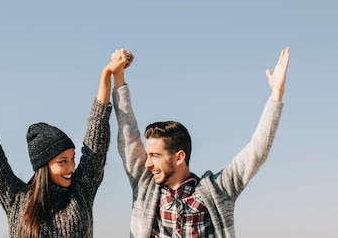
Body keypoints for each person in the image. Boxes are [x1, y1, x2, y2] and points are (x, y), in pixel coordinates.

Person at [112, 47, 290, 238]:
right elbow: (128, 136)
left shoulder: (218, 190)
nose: (148, 163)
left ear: (179, 157)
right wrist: (118, 78)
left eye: (155, 156)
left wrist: (276, 95)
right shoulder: (145, 186)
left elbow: (256, 152)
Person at [0, 51, 131, 238]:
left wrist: (106, 74)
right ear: (44, 164)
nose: (72, 166)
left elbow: (97, 136)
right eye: (63, 161)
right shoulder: (16, 198)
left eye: (72, 158)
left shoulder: (81, 190)